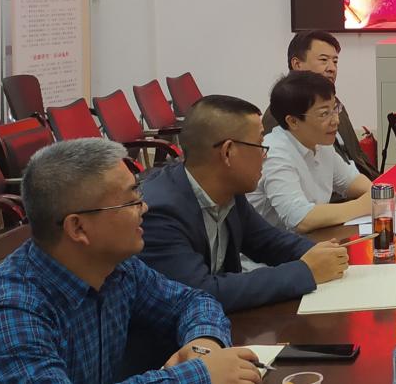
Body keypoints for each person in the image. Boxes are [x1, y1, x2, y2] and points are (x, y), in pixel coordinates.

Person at [0, 138, 263, 383]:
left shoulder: (116, 267)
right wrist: (199, 375)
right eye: (130, 201)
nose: (144, 208)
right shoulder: (11, 312)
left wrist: (204, 346)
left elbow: (191, 301)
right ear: (78, 228)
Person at [137, 95, 349, 313]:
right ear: (228, 152)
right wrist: (305, 271)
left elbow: (268, 242)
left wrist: (321, 253)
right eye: (260, 145)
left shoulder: (229, 189)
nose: (265, 155)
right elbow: (200, 292)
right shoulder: (159, 212)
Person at [249, 71, 372, 233]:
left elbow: (351, 181)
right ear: (293, 121)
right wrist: (362, 205)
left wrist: (376, 194)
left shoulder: (320, 142)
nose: (336, 120)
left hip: (311, 239)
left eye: (335, 109)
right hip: (274, 247)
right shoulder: (274, 153)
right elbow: (300, 219)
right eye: (324, 114)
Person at [262, 30, 380, 180]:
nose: (332, 68)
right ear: (297, 64)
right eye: (324, 60)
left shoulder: (334, 103)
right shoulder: (279, 115)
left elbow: (357, 156)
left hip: (357, 182)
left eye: (335, 61)